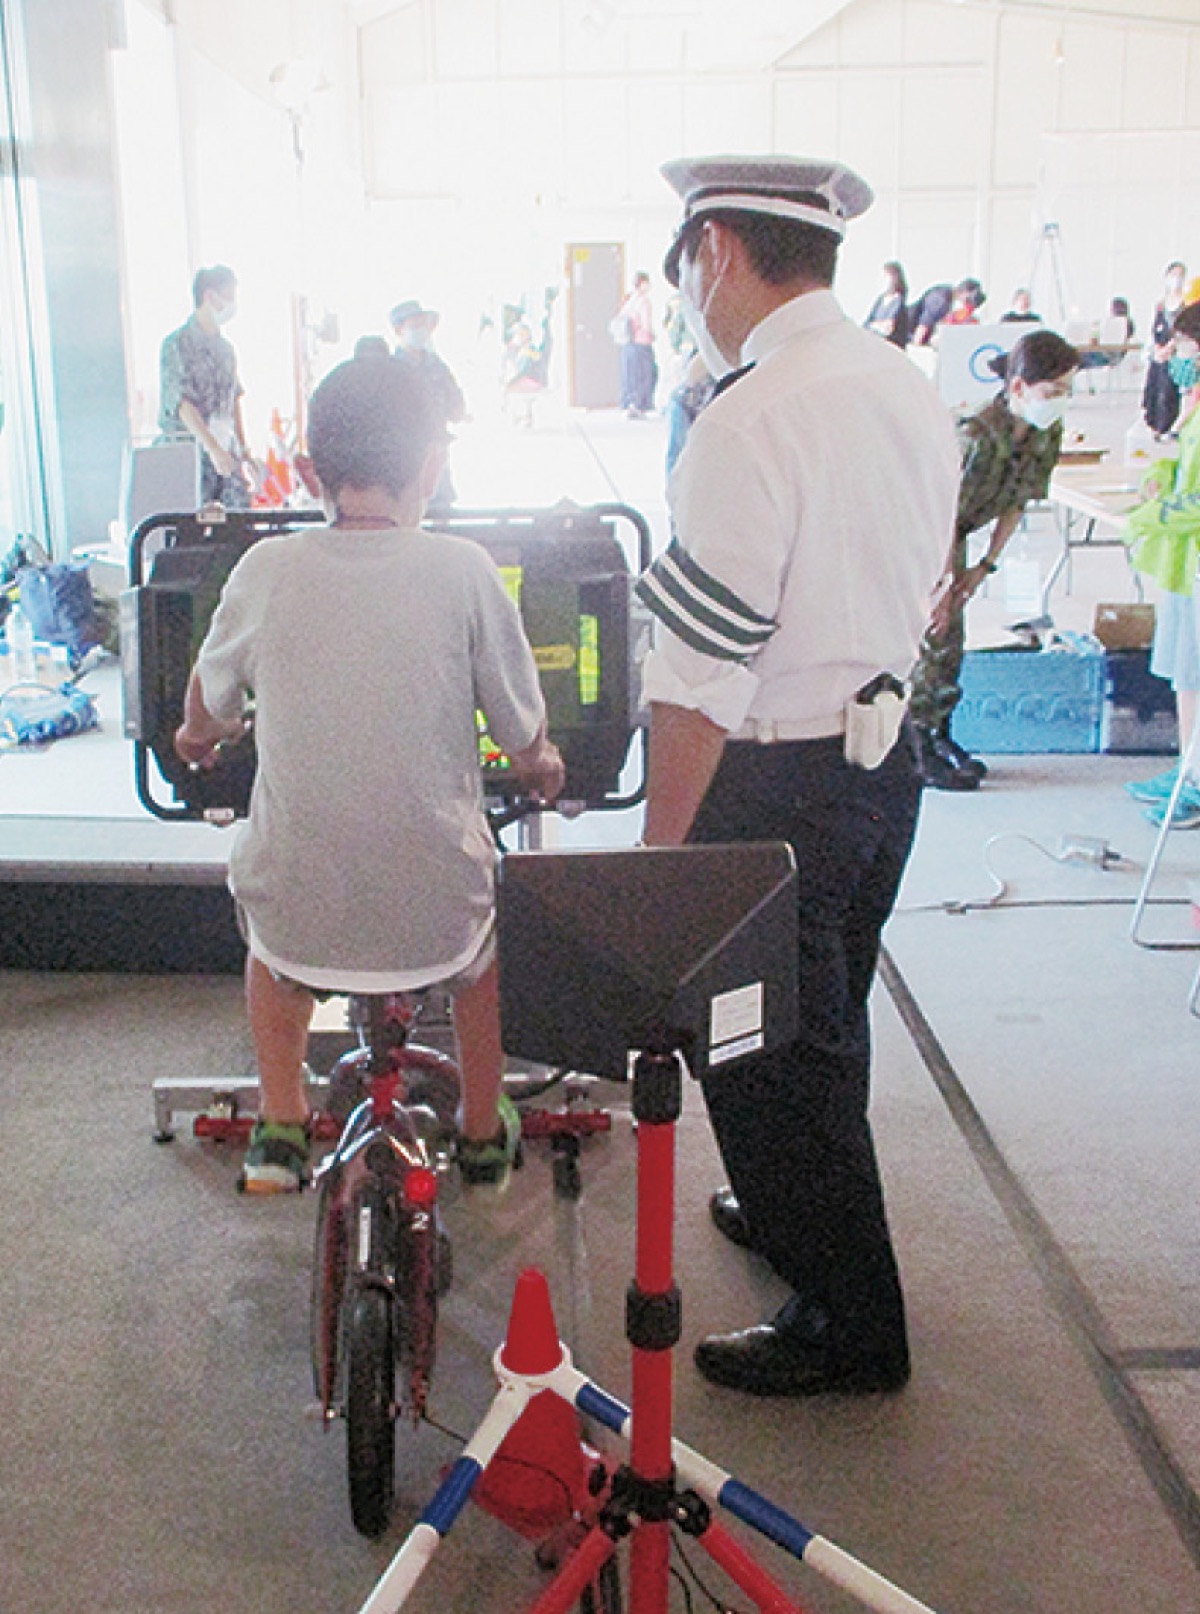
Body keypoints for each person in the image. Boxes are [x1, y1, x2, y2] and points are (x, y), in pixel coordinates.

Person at [636, 154, 959, 1398]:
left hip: (773, 787)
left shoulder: (749, 418)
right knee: (825, 1027)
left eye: (684, 270)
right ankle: (789, 1218)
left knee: (763, 1060)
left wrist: (661, 865)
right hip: (882, 767)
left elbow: (697, 681)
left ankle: (850, 1323)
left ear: (716, 251)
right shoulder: (901, 383)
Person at [174, 355, 565, 1194]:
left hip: (301, 909)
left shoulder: (265, 571)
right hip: (438, 911)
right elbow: (520, 731)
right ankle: (481, 1128)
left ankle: (282, 1124)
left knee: (272, 955)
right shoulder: (465, 570)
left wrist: (197, 737)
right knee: (482, 959)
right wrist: (543, 766)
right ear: (432, 465)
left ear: (309, 470)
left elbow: (207, 705)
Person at [909, 329, 1080, 790]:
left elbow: (1018, 500)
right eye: (1053, 390)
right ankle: (916, 745)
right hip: (922, 529)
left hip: (958, 531)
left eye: (1067, 390)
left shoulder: (1044, 430)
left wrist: (983, 567)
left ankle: (940, 732)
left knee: (953, 637)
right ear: (1019, 386)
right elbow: (941, 511)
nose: (1061, 400)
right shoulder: (975, 433)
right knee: (933, 633)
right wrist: (945, 584)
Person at [1123, 298, 1200, 829]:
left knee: (1195, 672)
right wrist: (1159, 477)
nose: (1176, 356)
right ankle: (1186, 766)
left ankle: (1195, 782)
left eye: (1187, 347)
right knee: (1185, 674)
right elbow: (1182, 461)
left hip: (1191, 552)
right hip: (1182, 561)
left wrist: (1150, 515)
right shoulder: (1192, 402)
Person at [159, 265, 254, 508]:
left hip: (225, 455)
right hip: (189, 459)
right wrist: (212, 447)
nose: (232, 305)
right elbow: (182, 404)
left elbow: (233, 401)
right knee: (192, 520)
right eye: (229, 296)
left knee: (238, 517)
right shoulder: (177, 345)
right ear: (209, 296)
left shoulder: (226, 350)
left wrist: (244, 449)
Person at [390, 299, 466, 504]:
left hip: (437, 447)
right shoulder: (391, 369)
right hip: (405, 453)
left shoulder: (437, 365)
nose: (422, 331)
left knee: (441, 503)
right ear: (399, 330)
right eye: (415, 326)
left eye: (424, 325)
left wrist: (457, 408)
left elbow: (455, 404)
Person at [1143, 261, 1188, 439]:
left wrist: (1170, 347)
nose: (1176, 279)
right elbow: (1155, 329)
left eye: (1180, 275)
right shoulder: (1161, 305)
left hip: (1177, 352)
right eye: (1173, 275)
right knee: (1155, 384)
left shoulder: (1186, 305)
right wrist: (1157, 348)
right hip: (1160, 352)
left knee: (1170, 389)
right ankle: (1154, 424)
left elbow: (1184, 330)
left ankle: (1169, 426)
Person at [614, 270, 658, 418]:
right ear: (642, 283)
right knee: (646, 375)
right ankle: (641, 405)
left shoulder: (628, 300)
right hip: (642, 343)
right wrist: (652, 334)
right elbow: (646, 324)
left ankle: (629, 403)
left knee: (630, 375)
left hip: (628, 343)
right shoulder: (644, 301)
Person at [863, 260, 909, 346]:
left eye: (885, 277)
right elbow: (866, 324)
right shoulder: (880, 300)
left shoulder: (898, 302)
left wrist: (874, 325)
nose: (881, 281)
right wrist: (876, 325)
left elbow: (887, 329)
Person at [908, 281, 953, 346]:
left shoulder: (945, 296)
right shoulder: (939, 300)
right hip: (910, 332)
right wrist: (915, 346)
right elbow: (924, 325)